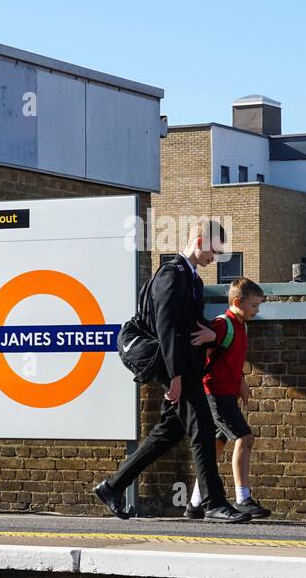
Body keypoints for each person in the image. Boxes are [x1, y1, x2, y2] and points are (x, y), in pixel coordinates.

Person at [95, 220, 249, 523]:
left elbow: (191, 325)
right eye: (214, 251)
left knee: (170, 431)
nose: (214, 259)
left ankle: (112, 487)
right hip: (175, 366)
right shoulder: (171, 274)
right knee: (202, 429)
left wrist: (212, 335)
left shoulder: (193, 281)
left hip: (185, 365)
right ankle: (213, 503)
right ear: (201, 241)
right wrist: (175, 376)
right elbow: (165, 327)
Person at [185, 278, 269, 520]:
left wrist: (241, 384)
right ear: (236, 302)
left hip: (227, 394)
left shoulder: (241, 325)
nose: (257, 310)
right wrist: (208, 334)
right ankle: (243, 498)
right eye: (254, 305)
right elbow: (209, 341)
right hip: (216, 394)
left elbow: (230, 360)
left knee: (217, 445)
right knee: (245, 438)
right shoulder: (224, 324)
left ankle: (195, 503)